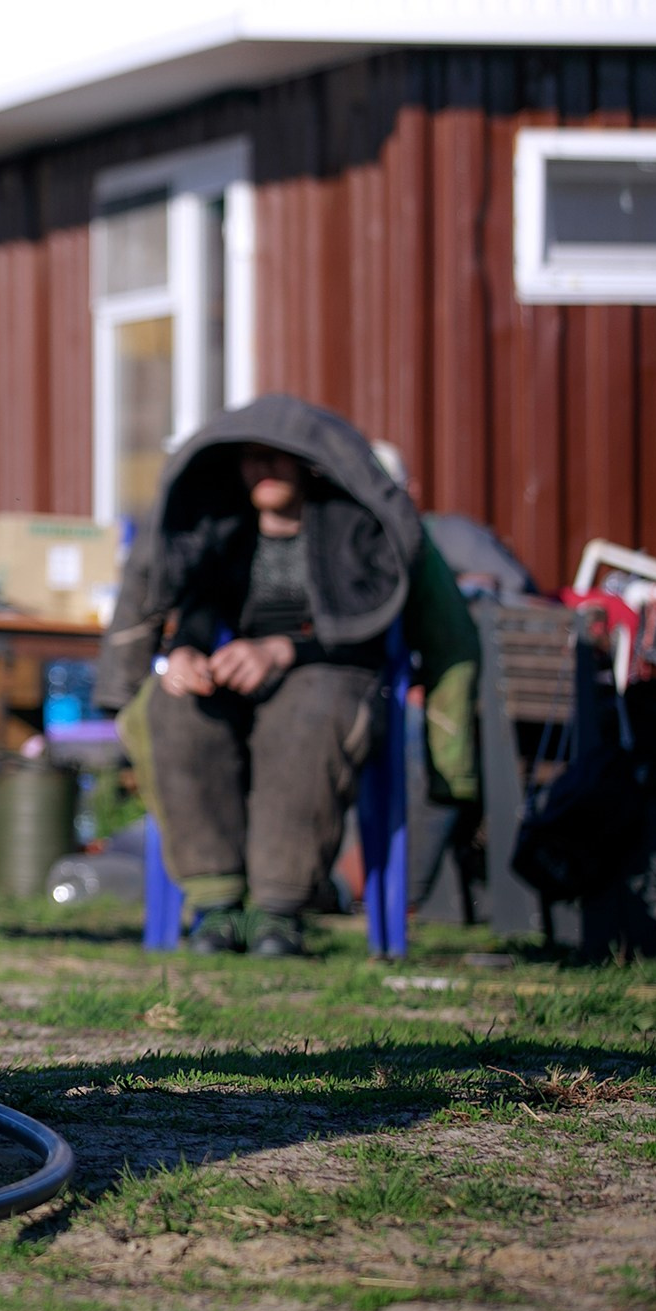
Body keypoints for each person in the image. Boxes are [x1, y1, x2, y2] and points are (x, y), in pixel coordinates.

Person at [96, 395, 480, 956]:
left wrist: (281, 651)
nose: (263, 471)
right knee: (173, 708)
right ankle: (217, 903)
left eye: (276, 458)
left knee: (307, 718)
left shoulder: (357, 526)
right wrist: (186, 654)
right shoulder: (225, 524)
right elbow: (200, 606)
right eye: (251, 459)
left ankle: (278, 909)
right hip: (243, 677)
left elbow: (375, 619)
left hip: (335, 674)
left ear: (306, 462)